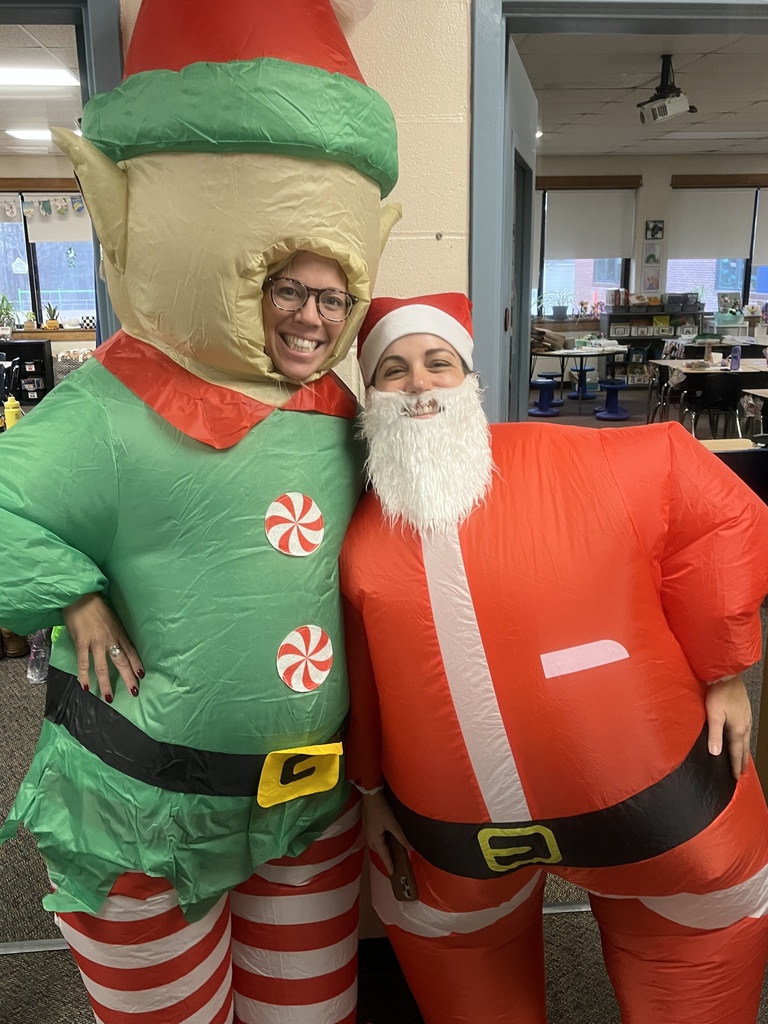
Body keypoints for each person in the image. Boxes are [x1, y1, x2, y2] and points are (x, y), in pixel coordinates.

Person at [0, 1, 399, 1022]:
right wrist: (71, 595)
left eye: (330, 294)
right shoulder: (110, 407)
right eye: (284, 287)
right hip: (145, 812)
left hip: (306, 805)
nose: (310, 315)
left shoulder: (340, 413)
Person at [340, 292, 768, 1024]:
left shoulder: (582, 459)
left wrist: (724, 670)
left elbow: (721, 511)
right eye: (393, 370)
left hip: (665, 810)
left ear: (469, 377)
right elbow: (369, 673)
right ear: (369, 395)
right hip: (451, 840)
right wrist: (372, 789)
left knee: (694, 977)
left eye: (437, 364)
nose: (418, 385)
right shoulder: (362, 539)